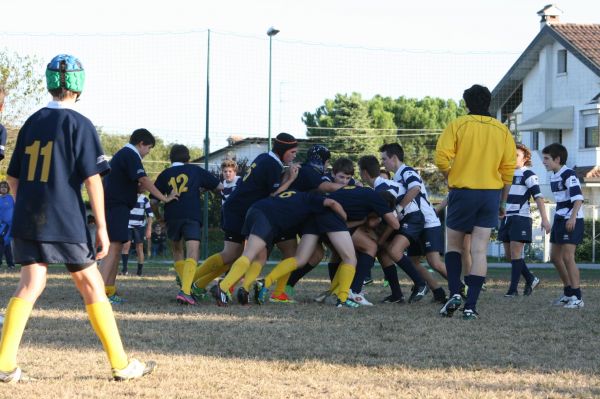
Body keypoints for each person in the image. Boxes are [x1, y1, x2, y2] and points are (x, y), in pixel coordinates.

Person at [0, 54, 155, 382]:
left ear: (50, 82)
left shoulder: (31, 121)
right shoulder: (79, 124)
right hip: (65, 219)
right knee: (93, 286)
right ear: (79, 84)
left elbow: (12, 180)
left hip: (29, 218)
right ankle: (121, 364)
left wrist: (26, 209)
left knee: (30, 284)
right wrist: (101, 225)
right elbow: (93, 179)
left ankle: (3, 364)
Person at [435, 84, 516, 320]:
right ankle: (471, 306)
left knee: (454, 246)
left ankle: (455, 291)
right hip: (490, 194)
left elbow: (441, 158)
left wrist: (449, 177)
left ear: (466, 103)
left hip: (463, 192)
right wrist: (502, 202)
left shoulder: (459, 124)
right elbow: (508, 170)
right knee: (479, 249)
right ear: (489, 102)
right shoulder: (502, 130)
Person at [191, 133, 299, 297]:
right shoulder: (272, 165)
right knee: (230, 254)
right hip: (238, 210)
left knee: (240, 255)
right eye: (292, 152)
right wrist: (291, 179)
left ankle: (198, 284)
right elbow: (273, 194)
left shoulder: (265, 158)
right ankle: (190, 280)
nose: (294, 155)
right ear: (283, 150)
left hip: (240, 208)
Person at [214, 189, 346, 306]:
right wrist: (343, 219)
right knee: (249, 254)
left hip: (255, 210)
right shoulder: (313, 199)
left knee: (260, 258)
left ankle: (245, 290)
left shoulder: (296, 194)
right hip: (266, 217)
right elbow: (332, 203)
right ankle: (223, 287)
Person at [100, 129, 178, 304]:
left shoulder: (124, 155)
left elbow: (136, 185)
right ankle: (98, 295)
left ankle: (109, 290)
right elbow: (143, 180)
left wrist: (137, 188)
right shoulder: (130, 154)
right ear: (141, 144)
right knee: (112, 248)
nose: (148, 152)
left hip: (118, 205)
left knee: (118, 248)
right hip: (116, 206)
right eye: (148, 148)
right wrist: (164, 197)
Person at [152, 144, 222, 305]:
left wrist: (159, 218)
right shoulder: (194, 170)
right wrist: (202, 189)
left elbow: (153, 201)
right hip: (191, 214)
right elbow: (219, 187)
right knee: (192, 253)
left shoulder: (165, 174)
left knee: (177, 250)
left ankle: (186, 287)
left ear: (171, 158)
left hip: (172, 216)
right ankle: (185, 290)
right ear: (188, 158)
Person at [498, 143, 551, 297]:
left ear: (525, 158)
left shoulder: (529, 174)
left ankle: (513, 290)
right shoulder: (505, 174)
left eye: (516, 155)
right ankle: (530, 278)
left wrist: (545, 219)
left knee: (515, 253)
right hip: (507, 218)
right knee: (509, 256)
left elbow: (539, 198)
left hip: (521, 217)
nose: (513, 158)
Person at [542, 143, 585, 309]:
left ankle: (578, 297)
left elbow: (578, 199)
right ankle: (568, 293)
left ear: (557, 159)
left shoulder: (569, 174)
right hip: (559, 219)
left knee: (568, 257)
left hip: (571, 219)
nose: (544, 162)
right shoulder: (554, 175)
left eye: (546, 158)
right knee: (554, 257)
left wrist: (572, 218)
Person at [121, 188, 154, 276]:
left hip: (139, 227)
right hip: (127, 225)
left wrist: (149, 228)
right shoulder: (126, 197)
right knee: (125, 246)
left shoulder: (144, 199)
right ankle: (124, 270)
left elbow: (150, 215)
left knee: (139, 247)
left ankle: (139, 272)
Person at [0, 181, 15, 270]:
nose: (4, 188)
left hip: (10, 225)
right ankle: (10, 263)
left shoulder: (11, 198)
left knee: (6, 243)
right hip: (1, 226)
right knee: (4, 243)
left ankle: (10, 263)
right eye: (2, 187)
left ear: (8, 189)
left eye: (5, 187)